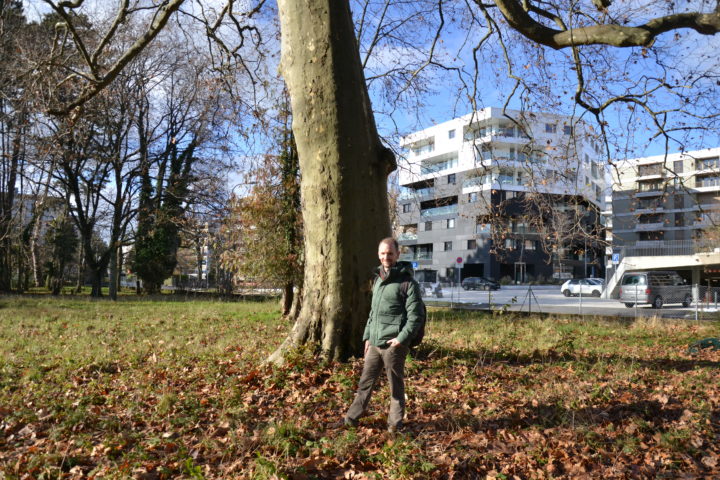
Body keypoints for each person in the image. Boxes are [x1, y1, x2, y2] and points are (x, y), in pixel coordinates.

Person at [342, 237, 424, 432]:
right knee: (365, 384)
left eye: (389, 253)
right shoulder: (378, 279)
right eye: (382, 253)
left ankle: (394, 426)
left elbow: (416, 316)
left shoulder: (408, 283)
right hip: (375, 343)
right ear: (379, 255)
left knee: (395, 388)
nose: (386, 257)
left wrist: (400, 339)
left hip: (394, 345)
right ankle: (351, 420)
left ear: (397, 254)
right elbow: (373, 313)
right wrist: (368, 337)